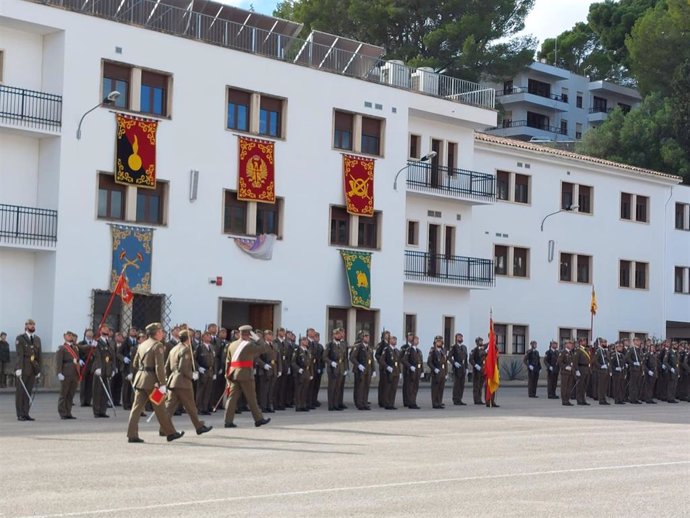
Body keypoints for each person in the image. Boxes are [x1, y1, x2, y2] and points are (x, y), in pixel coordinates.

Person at [126, 323, 184, 443]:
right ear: (156, 332)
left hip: (141, 380)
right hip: (153, 383)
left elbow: (135, 363)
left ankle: (132, 434)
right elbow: (159, 367)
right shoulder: (157, 345)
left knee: (136, 409)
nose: (163, 333)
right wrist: (162, 384)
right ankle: (170, 433)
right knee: (161, 408)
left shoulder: (142, 344)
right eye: (161, 331)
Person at [163, 329, 212, 436]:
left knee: (170, 407)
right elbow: (183, 368)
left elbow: (166, 366)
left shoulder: (174, 349)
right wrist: (191, 375)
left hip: (173, 381)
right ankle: (199, 427)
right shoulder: (186, 350)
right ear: (188, 339)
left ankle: (163, 428)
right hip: (183, 382)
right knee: (191, 406)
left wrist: (167, 379)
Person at [223, 325, 271, 428]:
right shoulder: (249, 345)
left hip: (234, 374)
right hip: (245, 374)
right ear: (249, 334)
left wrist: (227, 375)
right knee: (252, 398)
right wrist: (258, 338)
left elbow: (228, 361)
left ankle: (228, 421)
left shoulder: (232, 344)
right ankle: (258, 419)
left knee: (231, 399)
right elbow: (265, 348)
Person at [15, 319, 42, 421]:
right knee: (20, 392)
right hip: (23, 367)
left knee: (28, 392)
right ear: (26, 326)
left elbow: (39, 356)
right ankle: (20, 414)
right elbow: (19, 355)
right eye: (30, 324)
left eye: (33, 324)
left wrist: (38, 370)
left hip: (32, 369)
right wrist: (18, 368)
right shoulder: (20, 338)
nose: (32, 326)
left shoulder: (37, 339)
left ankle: (26, 413)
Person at [55, 331, 80, 419]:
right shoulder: (62, 348)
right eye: (68, 335)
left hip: (74, 373)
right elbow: (59, 361)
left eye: (72, 336)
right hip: (66, 373)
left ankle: (68, 412)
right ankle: (62, 412)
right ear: (64, 337)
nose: (70, 337)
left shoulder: (75, 348)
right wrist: (59, 372)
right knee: (64, 394)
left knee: (70, 394)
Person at [91, 325, 115, 418]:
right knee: (97, 390)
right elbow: (96, 355)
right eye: (105, 329)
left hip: (107, 368)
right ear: (100, 331)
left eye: (108, 329)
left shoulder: (110, 342)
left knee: (105, 391)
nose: (107, 330)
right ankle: (96, 411)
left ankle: (102, 410)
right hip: (100, 368)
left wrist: (113, 368)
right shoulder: (96, 342)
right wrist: (97, 367)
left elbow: (113, 357)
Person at [350, 331, 374, 410]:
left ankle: (364, 402)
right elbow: (352, 358)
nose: (367, 338)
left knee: (366, 387)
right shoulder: (358, 346)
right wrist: (358, 365)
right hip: (360, 370)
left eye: (368, 336)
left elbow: (371, 359)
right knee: (360, 387)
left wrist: (373, 370)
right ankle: (359, 404)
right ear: (362, 338)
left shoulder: (369, 347)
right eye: (365, 336)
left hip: (368, 370)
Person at [256, 329, 279, 413]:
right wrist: (263, 365)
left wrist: (279, 369)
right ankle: (263, 406)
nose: (271, 336)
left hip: (273, 369)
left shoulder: (274, 345)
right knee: (264, 389)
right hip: (265, 369)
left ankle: (270, 405)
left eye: (271, 335)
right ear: (265, 336)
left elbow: (278, 358)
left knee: (271, 389)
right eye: (269, 335)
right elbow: (257, 357)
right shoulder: (262, 345)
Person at [326, 327, 348, 411]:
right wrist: (331, 362)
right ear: (334, 335)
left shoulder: (342, 345)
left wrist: (345, 368)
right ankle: (331, 405)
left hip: (340, 369)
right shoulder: (330, 344)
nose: (339, 336)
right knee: (332, 388)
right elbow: (325, 357)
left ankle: (336, 404)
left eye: (340, 334)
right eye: (337, 334)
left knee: (338, 388)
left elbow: (344, 357)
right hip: (332, 369)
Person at [195, 332, 216, 415]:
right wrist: (198, 368)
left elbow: (214, 360)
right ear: (203, 338)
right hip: (203, 370)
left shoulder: (212, 347)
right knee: (201, 390)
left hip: (210, 371)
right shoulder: (199, 347)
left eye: (209, 335)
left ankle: (205, 407)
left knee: (208, 390)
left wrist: (214, 371)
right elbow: (194, 359)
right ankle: (199, 408)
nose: (209, 337)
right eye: (207, 336)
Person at [292, 336, 313, 412]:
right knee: (299, 389)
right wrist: (298, 369)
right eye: (305, 340)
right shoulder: (297, 350)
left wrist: (311, 373)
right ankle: (298, 405)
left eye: (307, 340)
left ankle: (303, 405)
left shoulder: (308, 350)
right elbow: (293, 362)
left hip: (307, 372)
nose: (307, 342)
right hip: (300, 372)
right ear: (301, 341)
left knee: (305, 389)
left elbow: (311, 364)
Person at [379, 335, 401, 410]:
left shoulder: (397, 351)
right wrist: (387, 367)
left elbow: (398, 362)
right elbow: (382, 360)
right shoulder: (386, 349)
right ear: (389, 341)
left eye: (395, 340)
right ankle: (387, 403)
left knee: (393, 389)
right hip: (389, 372)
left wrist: (400, 372)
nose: (394, 341)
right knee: (387, 388)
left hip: (396, 372)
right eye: (393, 339)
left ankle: (391, 403)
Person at [401, 335, 423, 409]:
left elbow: (421, 361)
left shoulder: (418, 351)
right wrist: (410, 366)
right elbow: (404, 360)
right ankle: (410, 402)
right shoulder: (409, 350)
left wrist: (422, 371)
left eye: (418, 340)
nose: (417, 341)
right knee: (410, 388)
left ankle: (413, 401)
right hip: (411, 372)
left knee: (415, 388)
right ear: (412, 341)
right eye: (416, 340)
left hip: (417, 372)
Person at [427, 335, 447, 409]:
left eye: (440, 341)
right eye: (438, 341)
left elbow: (445, 362)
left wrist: (446, 372)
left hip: (442, 372)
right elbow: (429, 362)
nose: (439, 343)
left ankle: (439, 402)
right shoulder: (433, 350)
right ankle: (435, 403)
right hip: (436, 372)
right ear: (435, 342)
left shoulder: (443, 350)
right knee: (435, 388)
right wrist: (434, 369)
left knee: (441, 388)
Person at [78, 329, 97, 407]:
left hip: (92, 365)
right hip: (84, 365)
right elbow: (79, 351)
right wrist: (80, 360)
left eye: (91, 334)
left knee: (90, 383)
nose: (90, 335)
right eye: (88, 334)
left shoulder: (95, 343)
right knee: (83, 384)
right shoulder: (81, 343)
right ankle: (83, 401)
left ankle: (88, 401)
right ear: (85, 334)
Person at [449, 333, 468, 406]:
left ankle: (460, 399)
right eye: (459, 337)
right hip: (457, 368)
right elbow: (449, 357)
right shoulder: (453, 347)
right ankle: (455, 399)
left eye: (461, 337)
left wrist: (466, 368)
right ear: (456, 338)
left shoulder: (464, 347)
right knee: (456, 385)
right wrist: (454, 363)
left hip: (463, 368)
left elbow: (466, 358)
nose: (460, 338)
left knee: (462, 385)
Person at [573, 339, 592, 405]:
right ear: (580, 342)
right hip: (581, 369)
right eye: (583, 341)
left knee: (584, 386)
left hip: (587, 369)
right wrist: (577, 370)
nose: (585, 342)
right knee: (580, 386)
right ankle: (579, 400)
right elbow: (575, 362)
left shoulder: (587, 350)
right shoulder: (578, 350)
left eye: (585, 341)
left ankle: (583, 399)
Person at [557, 340, 575, 406]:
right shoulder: (563, 352)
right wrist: (565, 367)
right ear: (566, 345)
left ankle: (567, 399)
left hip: (570, 372)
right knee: (564, 386)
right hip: (565, 372)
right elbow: (559, 362)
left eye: (571, 344)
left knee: (569, 386)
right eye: (569, 344)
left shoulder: (571, 353)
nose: (571, 345)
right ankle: (564, 400)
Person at [469, 337, 486, 405]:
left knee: (480, 386)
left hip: (482, 370)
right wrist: (475, 365)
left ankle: (480, 399)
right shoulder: (474, 350)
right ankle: (476, 400)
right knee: (476, 386)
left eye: (482, 341)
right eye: (480, 341)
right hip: (476, 371)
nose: (481, 343)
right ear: (477, 343)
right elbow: (471, 359)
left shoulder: (483, 350)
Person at [594, 339, 610, 405]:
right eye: (604, 343)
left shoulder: (605, 351)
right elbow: (595, 361)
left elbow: (608, 360)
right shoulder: (598, 351)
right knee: (601, 386)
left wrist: (608, 365)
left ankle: (604, 399)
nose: (605, 344)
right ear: (600, 343)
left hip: (606, 370)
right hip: (601, 371)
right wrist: (601, 366)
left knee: (605, 386)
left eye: (606, 342)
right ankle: (601, 399)